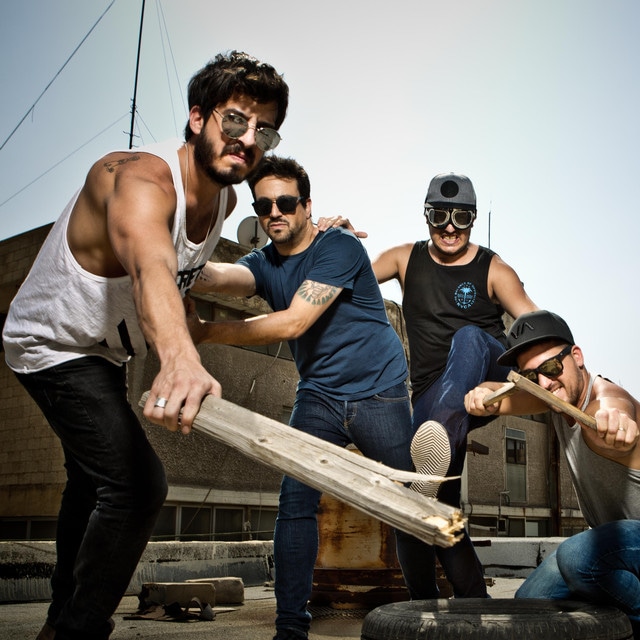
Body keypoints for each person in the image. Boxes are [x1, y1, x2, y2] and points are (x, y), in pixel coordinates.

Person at [2, 51, 289, 640]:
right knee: (137, 486)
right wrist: (179, 359)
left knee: (91, 481)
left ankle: (58, 620)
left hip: (103, 351)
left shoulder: (226, 200)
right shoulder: (137, 178)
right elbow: (150, 265)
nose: (248, 139)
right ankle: (78, 629)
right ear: (197, 117)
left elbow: (179, 275)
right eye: (235, 120)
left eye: (264, 130)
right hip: (51, 344)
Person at [188, 155, 419, 640]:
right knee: (295, 503)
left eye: (286, 203)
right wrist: (174, 259)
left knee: (409, 504)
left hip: (379, 391)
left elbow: (294, 322)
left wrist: (205, 331)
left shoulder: (339, 246)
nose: (274, 212)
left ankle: (430, 612)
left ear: (307, 206)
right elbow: (221, 277)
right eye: (263, 205)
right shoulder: (264, 262)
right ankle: (290, 629)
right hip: (318, 397)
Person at [370, 172, 538, 598]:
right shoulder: (403, 258)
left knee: (468, 337)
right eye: (440, 216)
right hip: (433, 393)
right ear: (426, 215)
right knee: (419, 509)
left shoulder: (494, 268)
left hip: (487, 375)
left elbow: (534, 324)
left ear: (473, 219)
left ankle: (438, 439)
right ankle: (439, 605)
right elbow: (348, 280)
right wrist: (333, 241)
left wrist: (558, 368)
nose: (449, 227)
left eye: (460, 218)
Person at [464, 309, 640, 636]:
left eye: (550, 367)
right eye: (532, 377)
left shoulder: (604, 399)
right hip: (613, 549)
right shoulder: (553, 397)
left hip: (632, 542)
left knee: (576, 557)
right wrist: (483, 392)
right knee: (528, 605)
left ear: (577, 357)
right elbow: (500, 398)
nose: (545, 383)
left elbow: (615, 410)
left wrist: (618, 424)